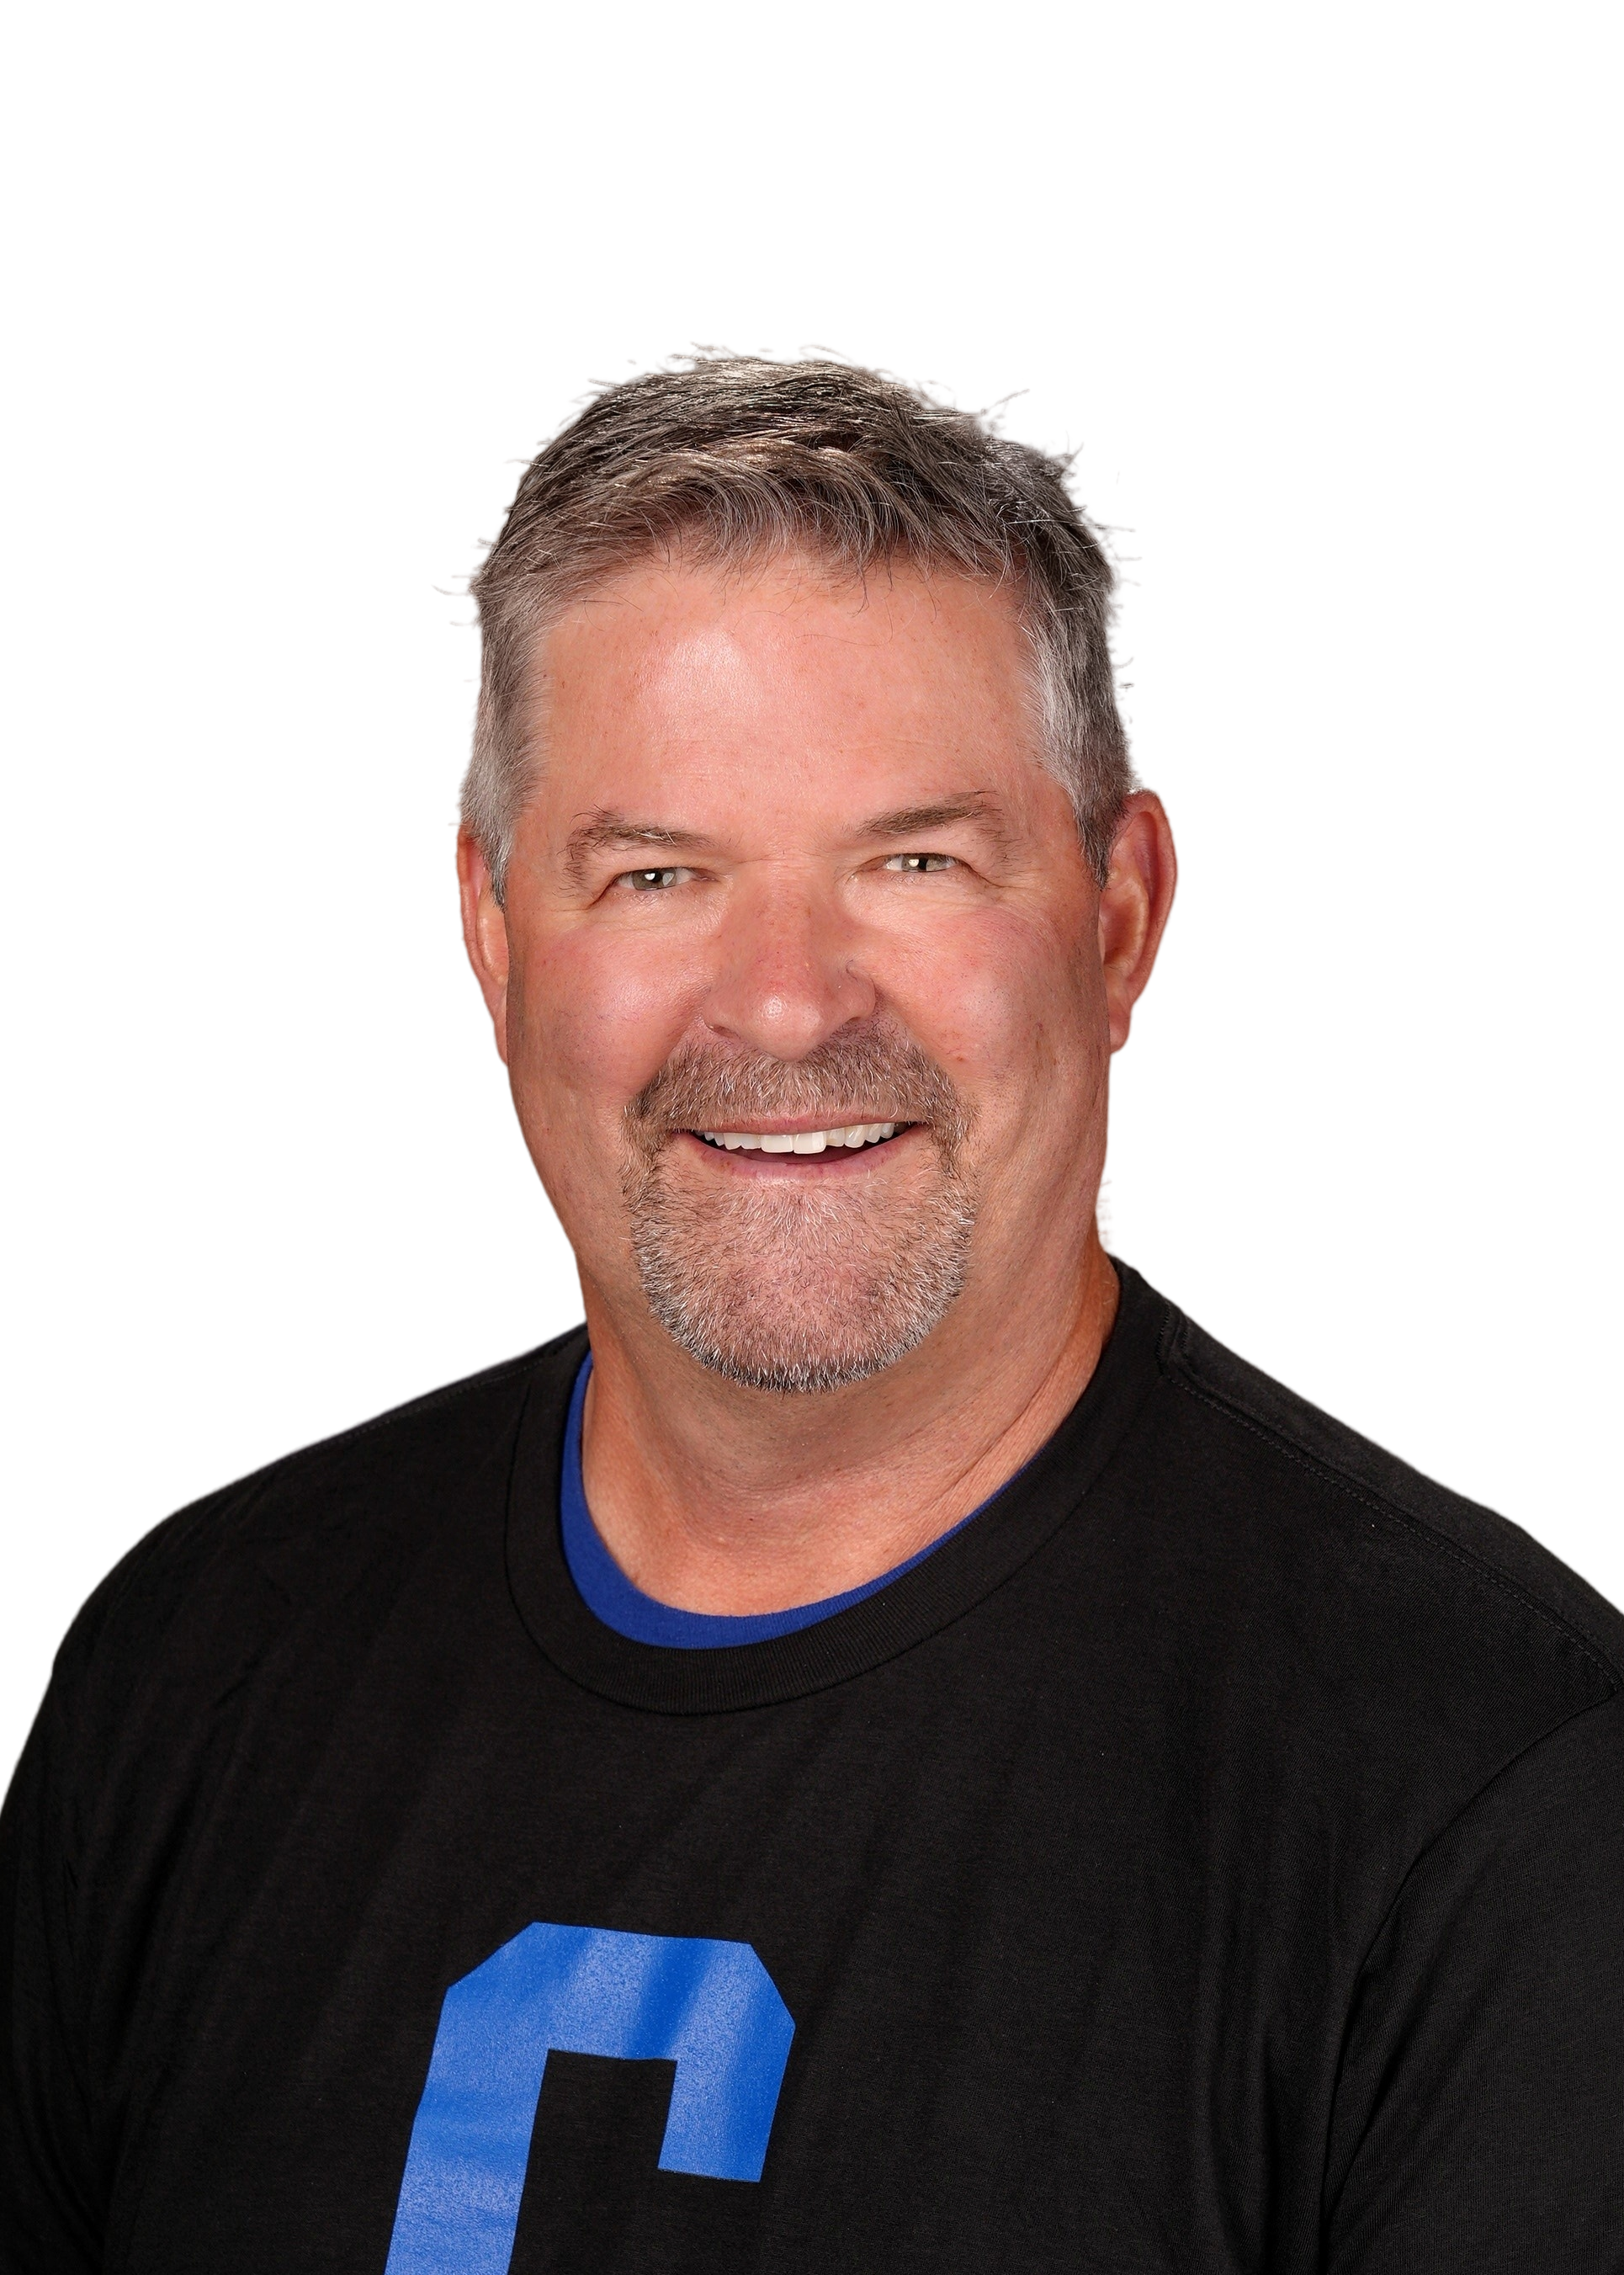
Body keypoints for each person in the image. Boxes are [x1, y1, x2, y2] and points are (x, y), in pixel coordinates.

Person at [3, 358, 1621, 2275]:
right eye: (656, 873)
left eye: (912, 860)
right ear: (496, 936)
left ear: (1116, 914)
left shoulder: (1498, 1797)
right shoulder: (197, 1667)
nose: (783, 1001)